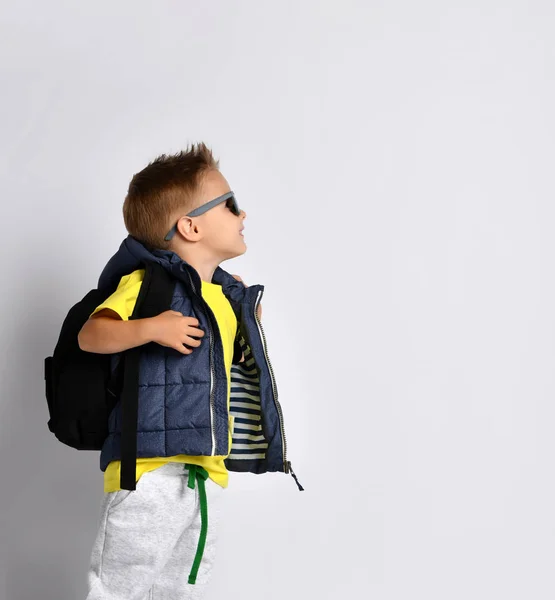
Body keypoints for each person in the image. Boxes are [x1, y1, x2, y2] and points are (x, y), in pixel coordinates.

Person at [79, 142, 297, 600]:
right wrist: (151, 327)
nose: (243, 214)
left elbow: (230, 373)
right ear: (190, 225)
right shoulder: (146, 286)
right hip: (148, 470)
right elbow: (91, 336)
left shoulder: (226, 296)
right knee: (122, 586)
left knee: (179, 589)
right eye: (231, 204)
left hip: (205, 470)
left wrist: (247, 328)